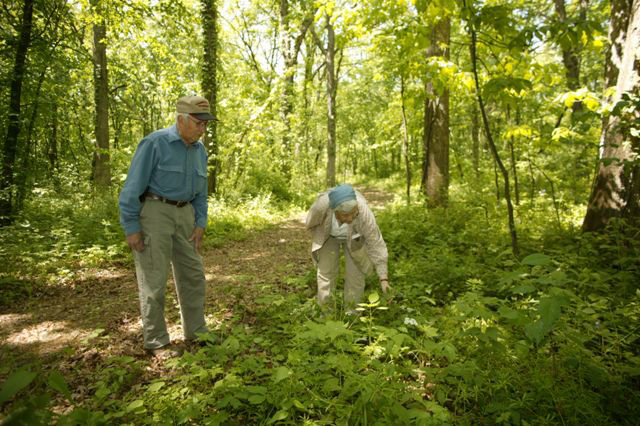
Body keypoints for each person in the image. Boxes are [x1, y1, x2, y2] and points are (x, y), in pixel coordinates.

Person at [118, 95, 215, 358]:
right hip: (154, 213)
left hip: (186, 215)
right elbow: (132, 188)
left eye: (205, 124)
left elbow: (201, 192)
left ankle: (196, 330)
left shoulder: (200, 151)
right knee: (154, 279)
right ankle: (157, 341)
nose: (202, 129)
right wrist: (131, 226)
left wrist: (200, 222)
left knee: (193, 275)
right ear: (181, 119)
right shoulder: (155, 143)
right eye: (198, 123)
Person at [305, 184, 390, 312]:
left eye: (353, 214)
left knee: (356, 276)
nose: (350, 219)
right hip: (328, 237)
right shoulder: (322, 206)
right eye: (345, 215)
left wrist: (383, 278)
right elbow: (310, 223)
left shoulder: (363, 212)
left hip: (355, 237)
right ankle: (326, 313)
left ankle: (352, 316)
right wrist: (318, 238)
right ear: (335, 210)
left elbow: (375, 243)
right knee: (326, 274)